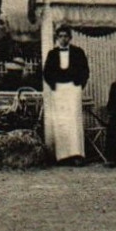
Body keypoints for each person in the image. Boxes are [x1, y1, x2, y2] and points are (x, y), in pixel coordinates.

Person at [42, 25, 91, 165]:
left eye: (65, 36)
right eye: (60, 36)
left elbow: (85, 70)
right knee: (61, 122)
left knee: (74, 120)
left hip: (73, 88)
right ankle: (62, 156)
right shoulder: (52, 54)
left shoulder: (78, 52)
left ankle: (77, 154)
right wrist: (53, 85)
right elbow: (47, 72)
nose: (63, 39)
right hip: (58, 90)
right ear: (57, 38)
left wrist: (79, 84)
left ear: (70, 37)